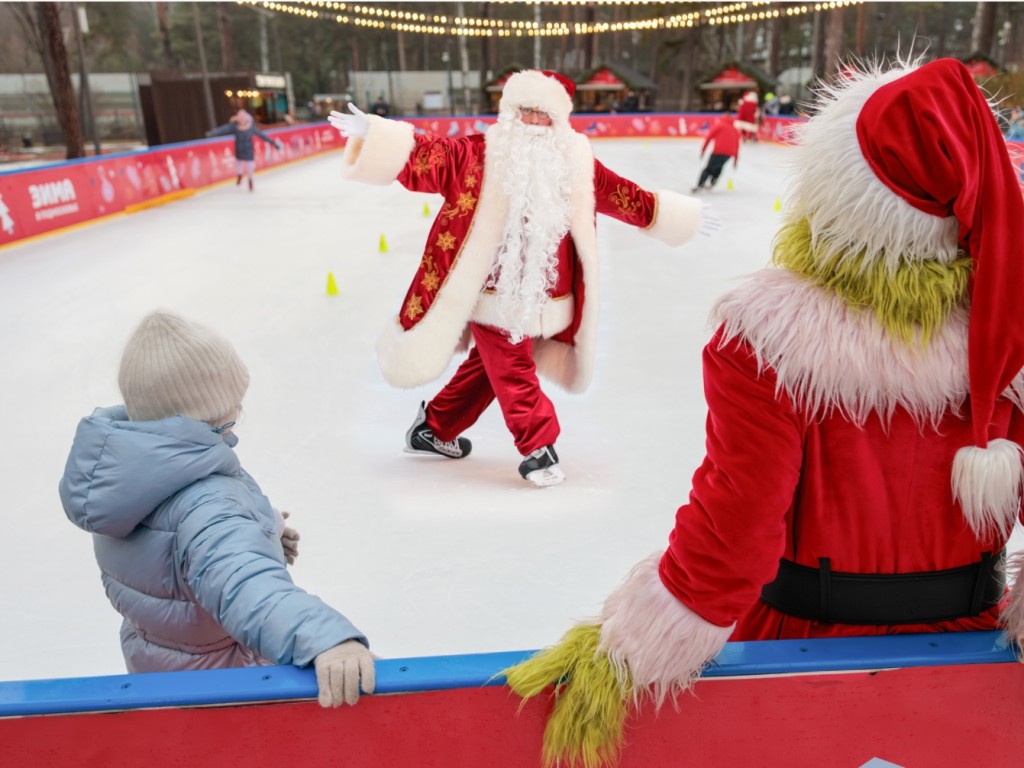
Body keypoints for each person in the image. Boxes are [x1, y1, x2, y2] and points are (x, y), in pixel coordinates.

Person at [504, 58, 1024, 766]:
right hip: (970, 660)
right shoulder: (1007, 335)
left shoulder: (769, 342)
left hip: (802, 660)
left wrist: (625, 652)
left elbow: (734, 536)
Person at [328, 69, 712, 486]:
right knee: (511, 365)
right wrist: (376, 135)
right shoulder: (479, 153)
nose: (531, 121)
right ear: (510, 112)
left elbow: (623, 195)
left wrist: (673, 216)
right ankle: (538, 448)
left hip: (540, 294)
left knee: (490, 366)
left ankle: (433, 428)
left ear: (558, 119)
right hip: (486, 286)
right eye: (523, 110)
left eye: (541, 114)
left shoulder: (576, 163)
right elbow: (429, 155)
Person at [59, 311, 375, 708]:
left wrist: (264, 533)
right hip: (231, 690)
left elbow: (172, 555)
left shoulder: (124, 478)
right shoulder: (208, 504)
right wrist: (324, 637)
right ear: (205, 414)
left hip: (164, 673)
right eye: (233, 404)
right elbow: (245, 586)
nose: (238, 411)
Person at [206, 109, 283, 192]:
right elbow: (223, 129)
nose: (241, 119)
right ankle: (239, 177)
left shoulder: (251, 128)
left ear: (246, 118)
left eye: (243, 117)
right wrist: (213, 133)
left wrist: (273, 143)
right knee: (238, 166)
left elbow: (262, 136)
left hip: (248, 150)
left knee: (250, 167)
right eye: (240, 117)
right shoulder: (235, 127)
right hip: (239, 150)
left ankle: (250, 181)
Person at [691, 116, 740, 192]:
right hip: (729, 154)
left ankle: (699, 185)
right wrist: (735, 160)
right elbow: (737, 145)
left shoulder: (720, 125)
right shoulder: (735, 129)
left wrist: (703, 150)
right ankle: (712, 183)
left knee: (708, 169)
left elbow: (709, 137)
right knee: (719, 167)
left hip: (718, 151)